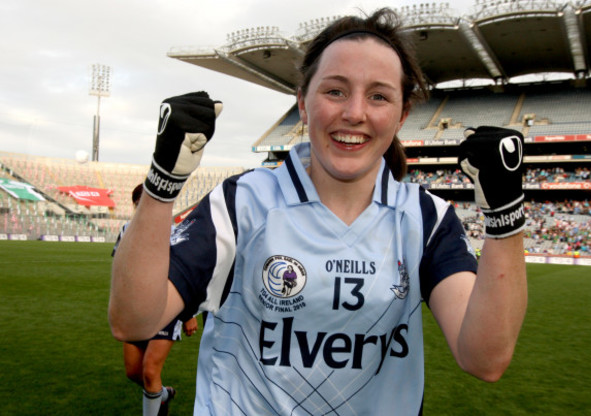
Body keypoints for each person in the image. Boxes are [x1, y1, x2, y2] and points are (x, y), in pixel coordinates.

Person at [109, 8, 527, 415]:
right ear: (304, 104)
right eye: (335, 91)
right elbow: (134, 321)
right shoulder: (243, 202)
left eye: (378, 96)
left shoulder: (426, 218)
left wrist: (505, 218)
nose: (355, 113)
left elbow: (485, 359)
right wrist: (162, 184)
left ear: (401, 116)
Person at [112, 183, 199, 416]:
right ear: (135, 205)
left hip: (166, 309)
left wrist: (188, 314)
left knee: (150, 372)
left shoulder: (175, 233)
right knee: (133, 372)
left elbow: (186, 275)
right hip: (135, 310)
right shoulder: (126, 230)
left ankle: (156, 399)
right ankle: (162, 394)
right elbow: (121, 271)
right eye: (142, 204)